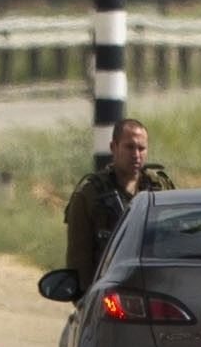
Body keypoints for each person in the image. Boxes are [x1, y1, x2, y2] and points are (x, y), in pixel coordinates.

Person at [62, 117, 174, 285]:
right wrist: (87, 301)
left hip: (155, 284)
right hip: (110, 287)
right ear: (113, 147)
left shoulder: (160, 187)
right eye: (129, 147)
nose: (136, 155)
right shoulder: (90, 194)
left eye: (141, 148)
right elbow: (79, 257)